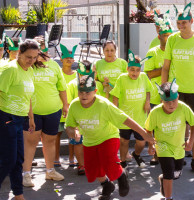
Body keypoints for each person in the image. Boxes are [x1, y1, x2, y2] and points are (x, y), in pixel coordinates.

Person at [65, 72, 154, 200]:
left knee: (108, 161)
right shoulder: (74, 105)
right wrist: (73, 132)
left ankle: (122, 175)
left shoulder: (104, 104)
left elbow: (125, 119)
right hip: (90, 140)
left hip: (108, 137)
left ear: (95, 91)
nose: (83, 95)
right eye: (81, 92)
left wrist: (144, 133)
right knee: (92, 170)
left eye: (87, 92)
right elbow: (69, 126)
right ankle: (107, 185)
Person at [161, 2, 194, 175]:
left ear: (191, 21)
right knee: (177, 124)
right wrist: (164, 90)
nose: (182, 26)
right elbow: (166, 68)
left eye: (185, 22)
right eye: (179, 23)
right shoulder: (172, 40)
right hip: (175, 91)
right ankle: (179, 158)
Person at [22, 38, 69, 187]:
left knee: (49, 141)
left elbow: (61, 87)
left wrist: (65, 105)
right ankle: (26, 174)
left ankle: (50, 171)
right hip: (32, 113)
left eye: (44, 47)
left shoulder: (54, 65)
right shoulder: (27, 67)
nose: (43, 52)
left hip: (53, 111)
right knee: (30, 142)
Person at [146, 79, 194, 200]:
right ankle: (168, 198)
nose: (171, 104)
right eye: (167, 101)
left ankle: (163, 179)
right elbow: (148, 130)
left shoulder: (183, 108)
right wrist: (151, 145)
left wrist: (190, 142)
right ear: (161, 100)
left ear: (178, 97)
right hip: (163, 146)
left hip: (179, 147)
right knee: (169, 172)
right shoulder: (155, 113)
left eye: (174, 100)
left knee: (176, 174)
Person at [0, 39, 39, 200]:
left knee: (18, 159)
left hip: (20, 119)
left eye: (35, 57)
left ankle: (18, 195)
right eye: (28, 57)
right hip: (6, 117)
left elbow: (27, 96)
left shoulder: (29, 70)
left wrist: (30, 117)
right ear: (19, 54)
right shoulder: (10, 70)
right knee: (8, 160)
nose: (31, 61)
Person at [109, 49, 153, 168]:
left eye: (138, 70)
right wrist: (115, 112)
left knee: (141, 142)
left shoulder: (143, 77)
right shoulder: (122, 78)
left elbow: (148, 90)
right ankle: (122, 162)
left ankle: (136, 154)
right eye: (132, 70)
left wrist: (147, 102)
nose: (135, 73)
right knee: (124, 141)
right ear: (127, 68)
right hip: (125, 117)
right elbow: (115, 96)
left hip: (140, 116)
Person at [144, 10, 174, 165]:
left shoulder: (175, 51)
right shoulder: (152, 52)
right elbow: (147, 74)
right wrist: (164, 69)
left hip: (172, 96)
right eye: (164, 35)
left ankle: (170, 152)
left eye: (170, 35)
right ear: (159, 36)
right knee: (155, 125)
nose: (167, 38)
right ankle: (155, 153)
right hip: (156, 95)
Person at [55, 43, 78, 168]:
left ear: (74, 59)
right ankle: (56, 158)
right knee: (56, 135)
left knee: (72, 135)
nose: (68, 60)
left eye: (71, 58)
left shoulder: (77, 75)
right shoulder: (57, 73)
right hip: (59, 109)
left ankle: (71, 158)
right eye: (66, 58)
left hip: (72, 111)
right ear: (61, 59)